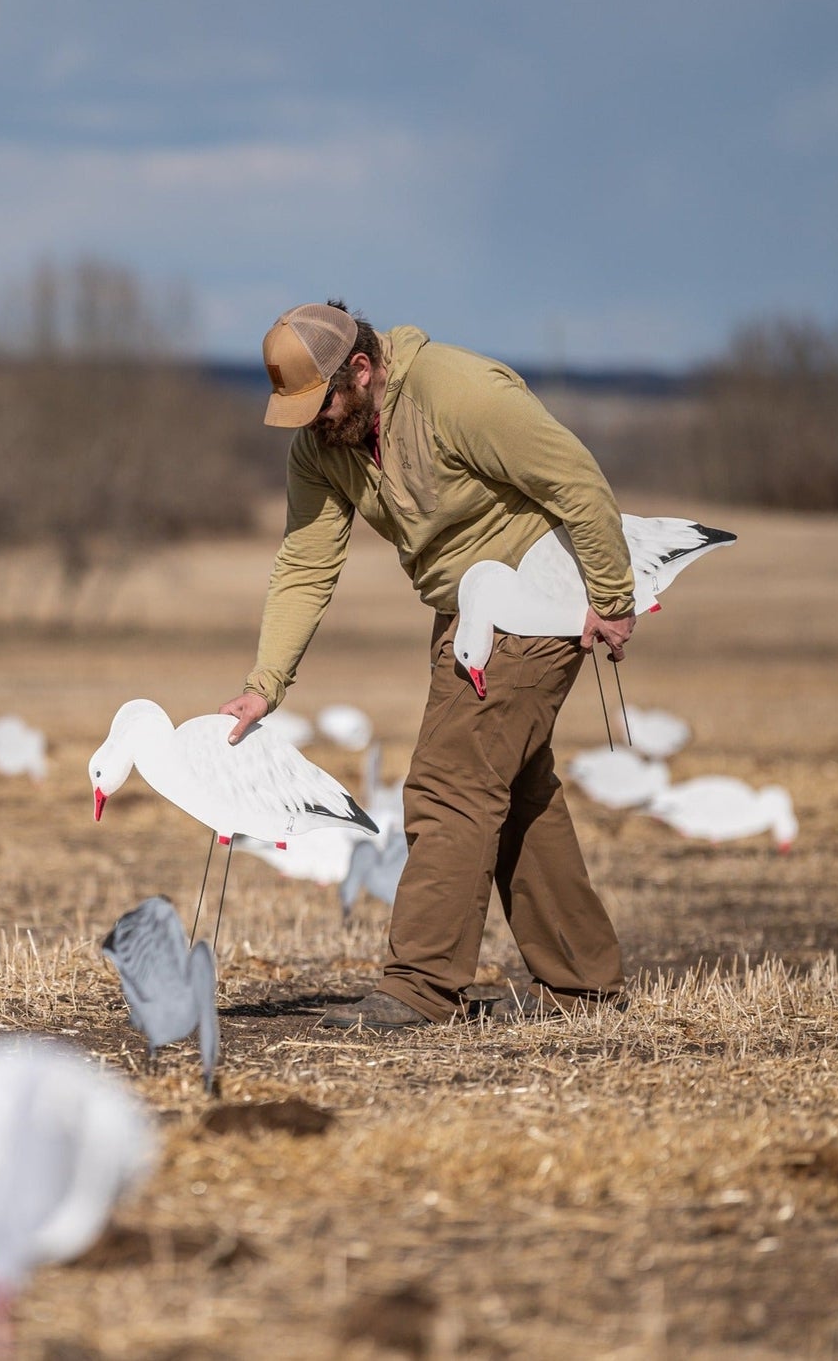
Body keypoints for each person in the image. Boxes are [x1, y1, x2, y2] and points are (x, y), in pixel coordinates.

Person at [219, 302, 636, 1030]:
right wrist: (264, 685)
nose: (314, 423)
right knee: (514, 790)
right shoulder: (321, 447)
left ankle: (420, 986)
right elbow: (305, 564)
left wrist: (611, 594)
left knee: (449, 785)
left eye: (322, 404)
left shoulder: (456, 393)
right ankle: (583, 985)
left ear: (361, 368)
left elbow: (574, 476)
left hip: (539, 596)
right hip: (464, 614)